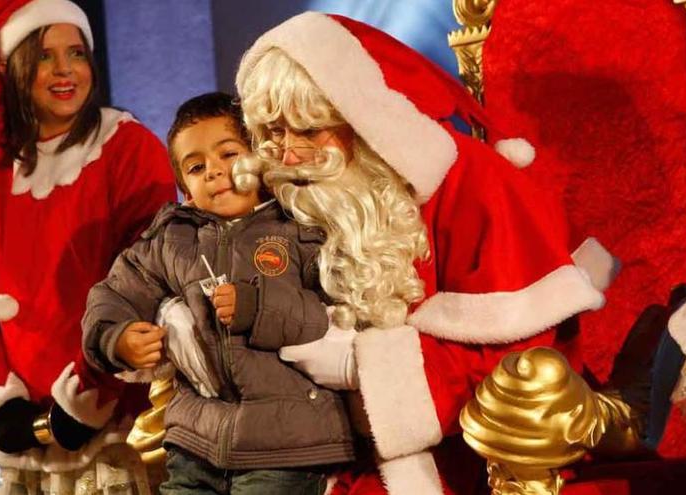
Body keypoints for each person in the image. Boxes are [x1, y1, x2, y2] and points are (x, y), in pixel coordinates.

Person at [225, 12, 617, 494]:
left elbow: (523, 361)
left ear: (364, 119)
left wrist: (362, 368)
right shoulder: (284, 196)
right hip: (314, 450)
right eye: (272, 133)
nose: (286, 156)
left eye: (308, 131)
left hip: (467, 456)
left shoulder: (475, 186)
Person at [0, 0, 176, 492]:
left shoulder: (128, 149)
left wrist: (92, 396)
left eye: (77, 53)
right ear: (14, 67)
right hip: (14, 434)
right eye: (46, 56)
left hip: (106, 424)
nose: (65, 70)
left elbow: (148, 279)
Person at [81, 92, 355, 495]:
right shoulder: (171, 238)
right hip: (195, 444)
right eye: (196, 166)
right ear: (184, 186)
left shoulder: (299, 228)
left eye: (228, 154)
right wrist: (114, 339)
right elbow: (115, 293)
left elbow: (327, 315)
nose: (213, 171)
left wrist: (257, 307)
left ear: (259, 155)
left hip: (285, 448)